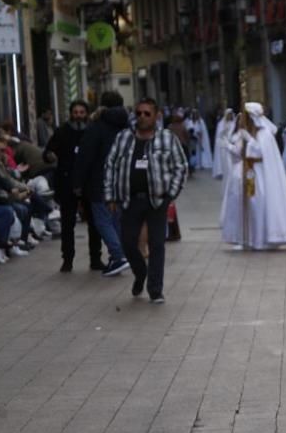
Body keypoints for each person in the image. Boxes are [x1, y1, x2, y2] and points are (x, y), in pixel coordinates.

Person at [103, 97, 188, 304]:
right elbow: (110, 166)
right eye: (138, 113)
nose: (142, 117)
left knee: (157, 244)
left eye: (146, 113)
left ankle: (155, 289)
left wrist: (171, 193)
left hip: (157, 200)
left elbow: (180, 166)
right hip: (130, 199)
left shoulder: (167, 138)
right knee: (128, 243)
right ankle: (140, 273)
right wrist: (110, 195)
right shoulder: (124, 138)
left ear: (156, 115)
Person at [220, 103, 286, 251]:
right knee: (245, 205)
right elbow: (241, 153)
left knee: (257, 205)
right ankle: (247, 238)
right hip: (248, 172)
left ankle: (260, 239)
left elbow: (259, 153)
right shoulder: (249, 132)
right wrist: (233, 145)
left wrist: (249, 141)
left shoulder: (264, 134)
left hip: (259, 175)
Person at [72, 90, 130, 278]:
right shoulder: (127, 124)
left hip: (100, 179)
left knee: (102, 220)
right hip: (123, 179)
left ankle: (118, 255)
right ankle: (118, 257)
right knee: (117, 220)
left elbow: (85, 156)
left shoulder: (97, 126)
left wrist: (78, 181)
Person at [46, 100, 101, 272]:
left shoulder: (92, 131)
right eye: (75, 112)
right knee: (68, 223)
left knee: (94, 222)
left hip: (88, 182)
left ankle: (95, 258)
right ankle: (67, 259)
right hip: (67, 181)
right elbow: (48, 151)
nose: (78, 115)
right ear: (71, 113)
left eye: (81, 112)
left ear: (86, 113)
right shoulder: (62, 131)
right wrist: (50, 156)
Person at [212, 108, 235, 180]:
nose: (230, 116)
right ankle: (222, 172)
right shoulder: (221, 124)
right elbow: (219, 135)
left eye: (231, 115)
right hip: (223, 144)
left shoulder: (234, 123)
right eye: (229, 115)